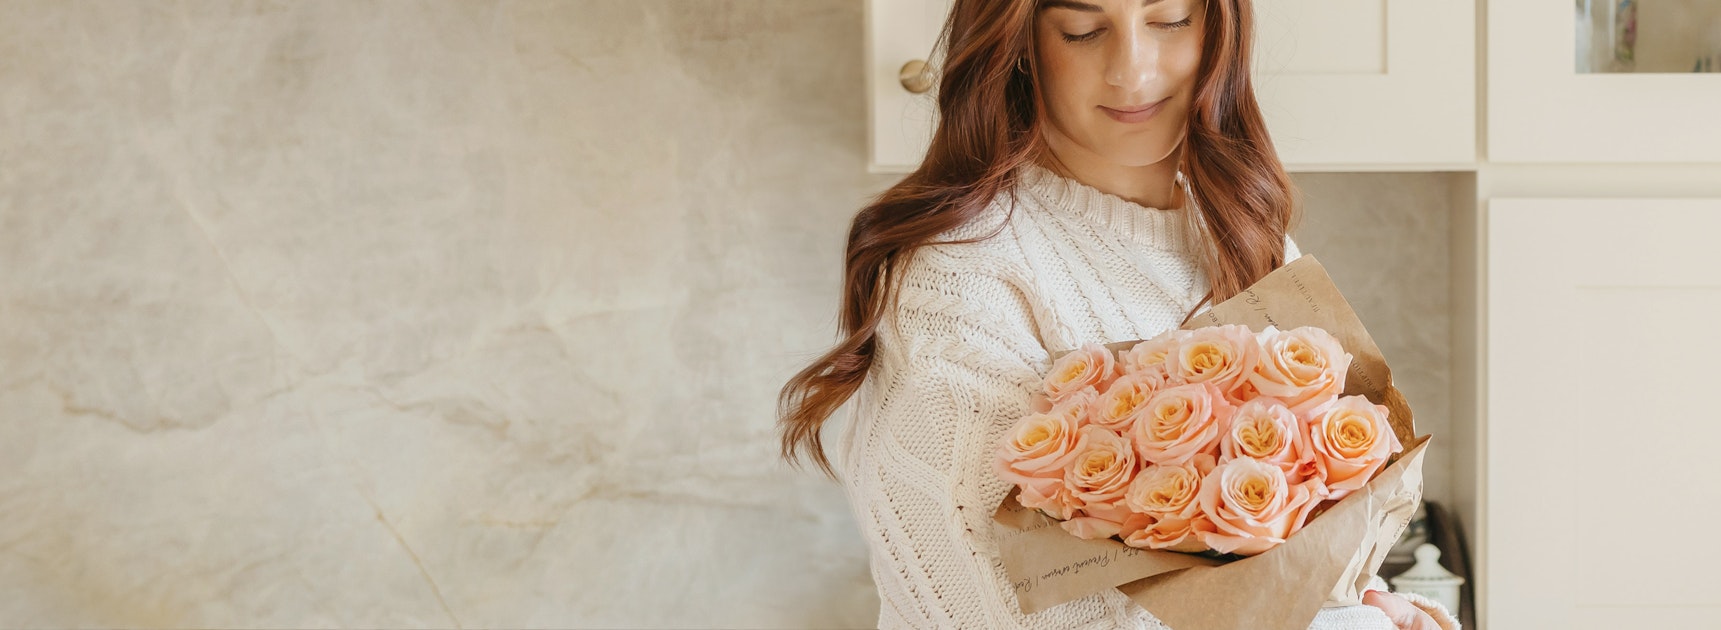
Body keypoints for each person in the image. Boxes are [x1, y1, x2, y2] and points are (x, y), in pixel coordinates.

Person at [778, 0, 1459, 628]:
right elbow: (995, 602)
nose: (1132, 68)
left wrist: (1363, 601)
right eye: (1082, 29)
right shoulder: (963, 276)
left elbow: (1289, 558)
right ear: (1020, 44)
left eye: (1168, 18)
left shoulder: (1245, 236)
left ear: (1217, 29)